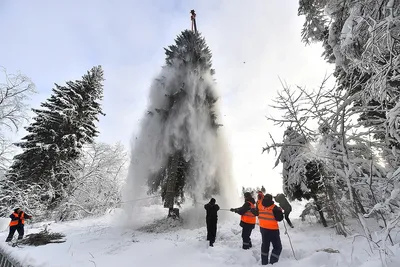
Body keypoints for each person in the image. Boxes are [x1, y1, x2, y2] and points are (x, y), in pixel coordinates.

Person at [256, 194, 284, 265]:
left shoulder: (259, 206)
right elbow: (279, 218)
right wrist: (280, 212)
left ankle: (264, 263)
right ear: (271, 199)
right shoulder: (274, 208)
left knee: (265, 246)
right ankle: (273, 263)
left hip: (263, 229)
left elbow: (255, 212)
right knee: (277, 247)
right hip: (273, 230)